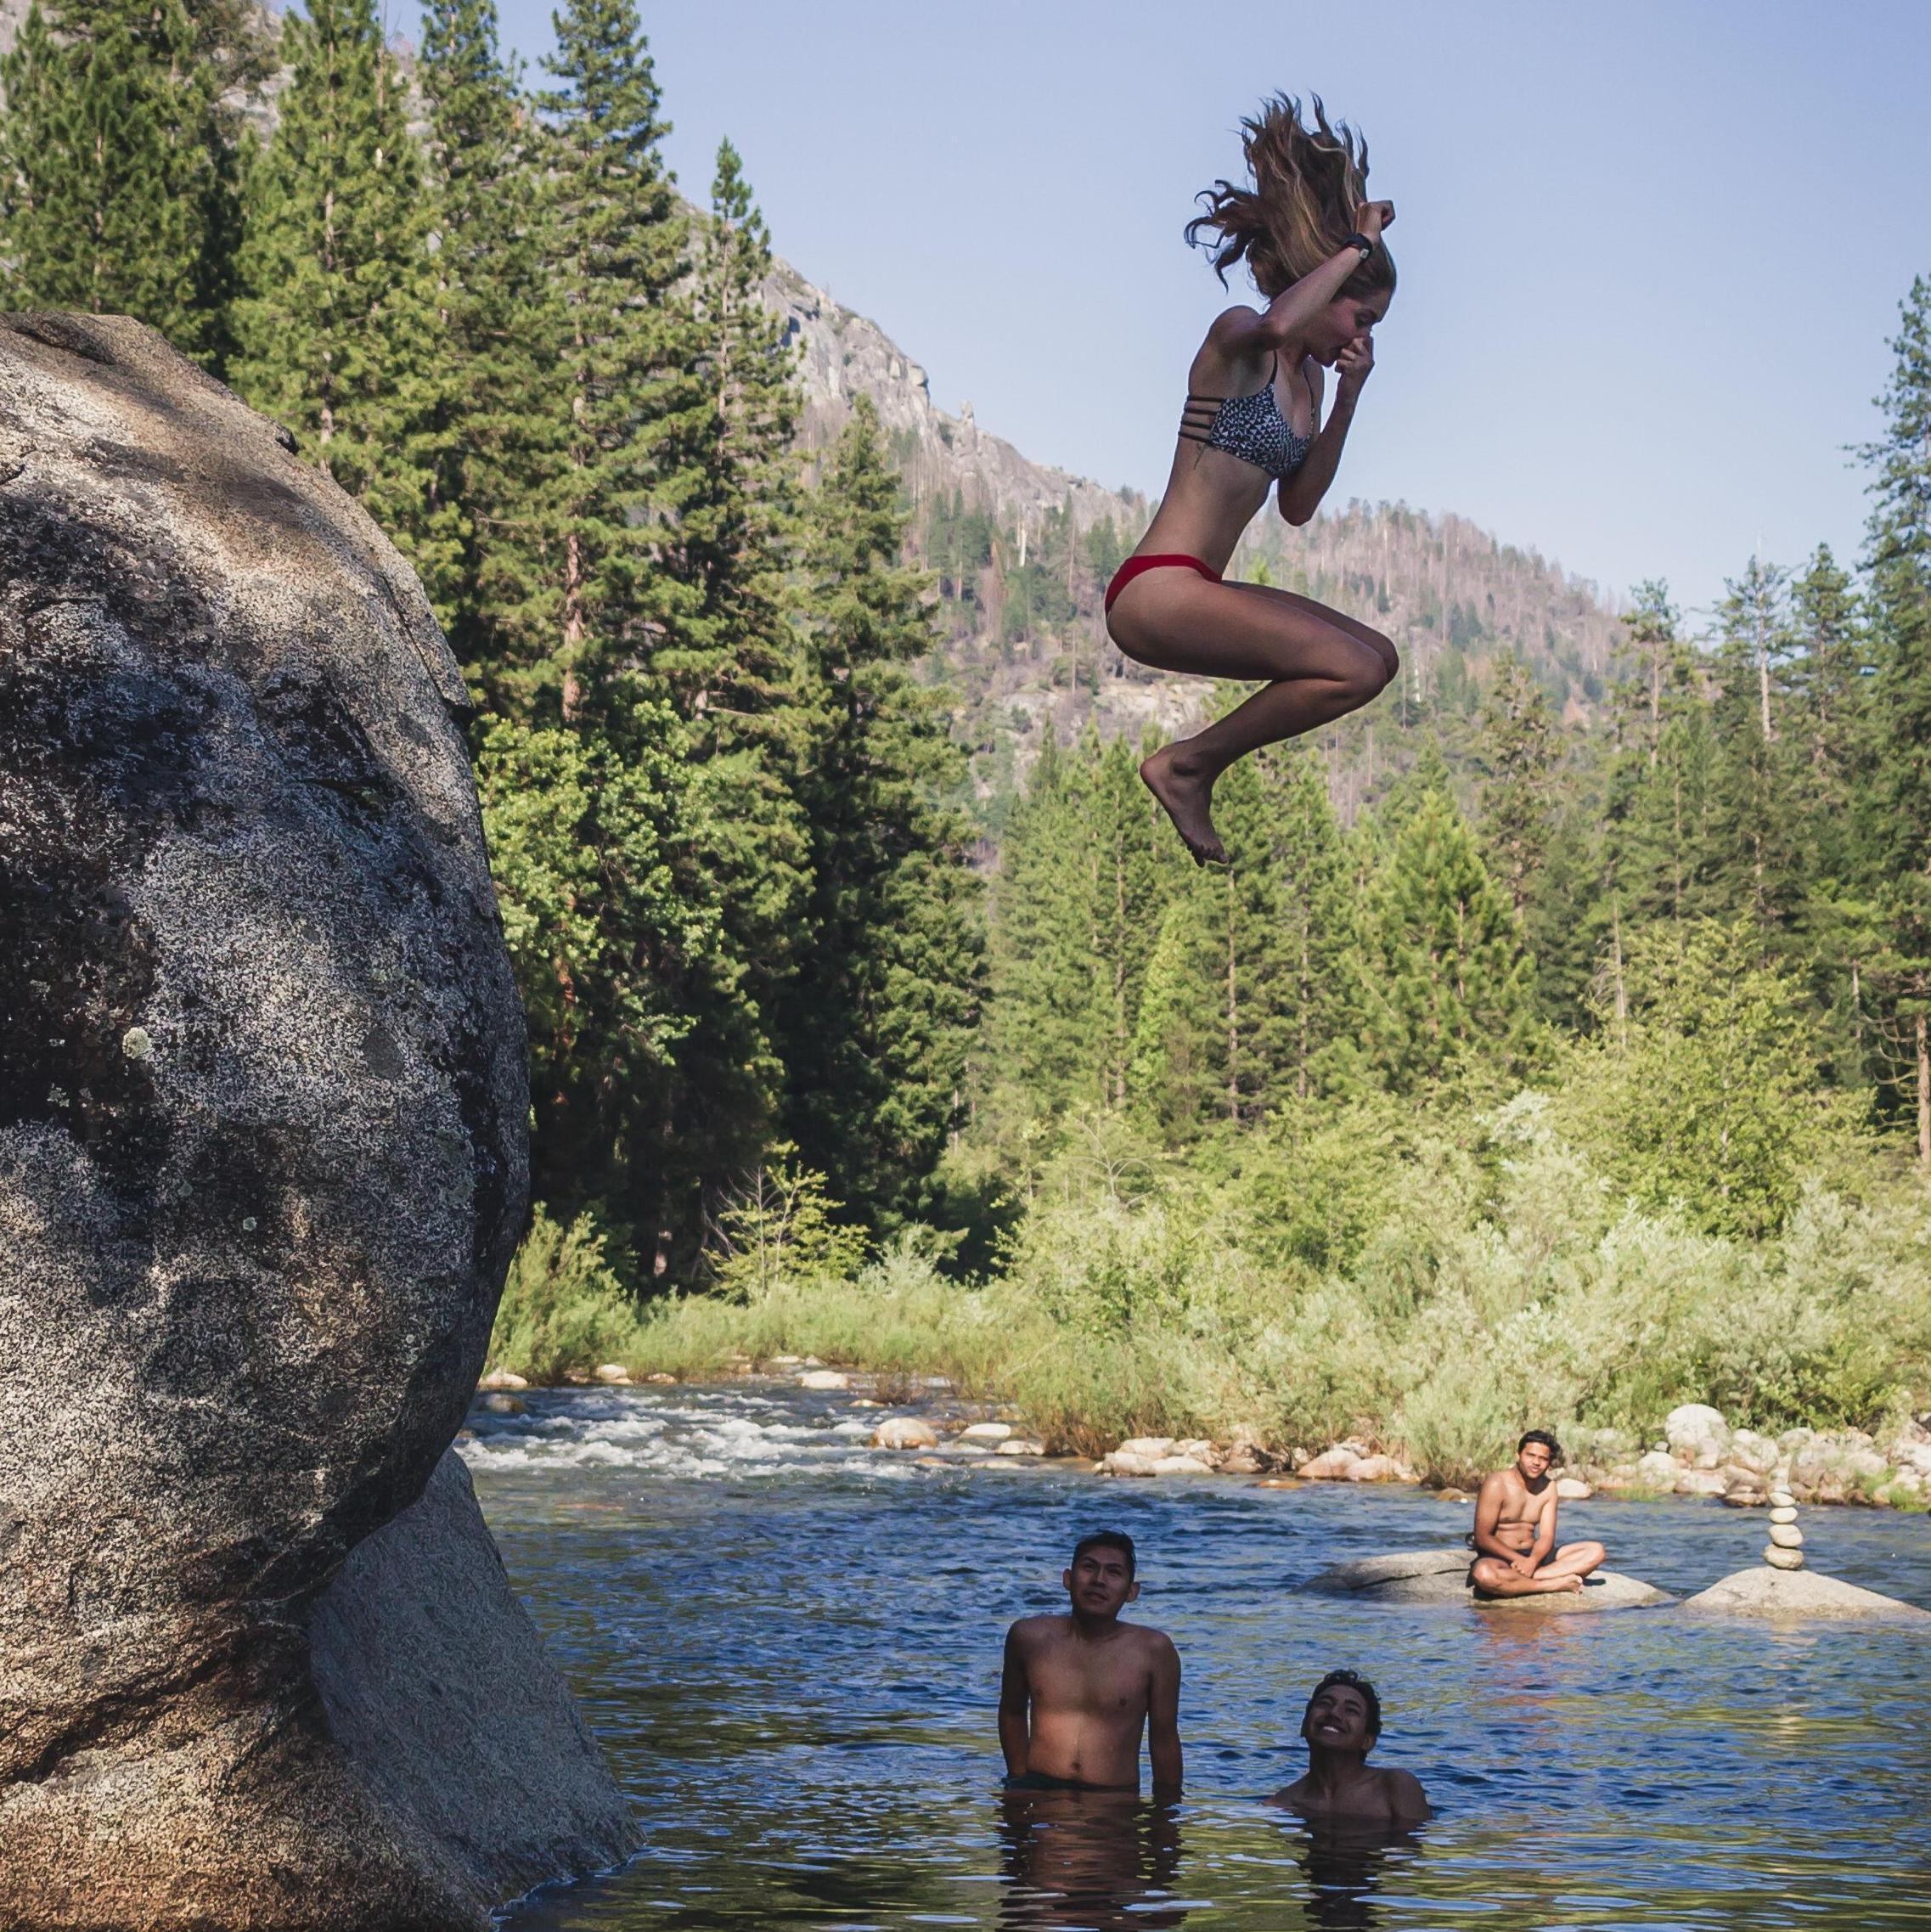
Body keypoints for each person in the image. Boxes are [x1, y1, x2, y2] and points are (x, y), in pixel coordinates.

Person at [1105, 95, 1400, 866]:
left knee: (1376, 659)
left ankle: (1192, 763)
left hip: (1196, 586)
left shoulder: (1303, 387)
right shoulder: (1239, 339)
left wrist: (1349, 398)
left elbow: (1298, 507)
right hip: (1157, 587)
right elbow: (1277, 323)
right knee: (1355, 665)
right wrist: (1355, 245)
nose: (1361, 336)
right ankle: (1189, 764)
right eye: (1359, 318)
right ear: (1327, 288)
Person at [999, 1530, 1183, 1798]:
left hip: (1113, 1798)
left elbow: (1164, 1741)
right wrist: (1018, 1781)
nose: (1099, 1580)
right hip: (1040, 1790)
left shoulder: (1154, 1652)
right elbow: (1012, 1712)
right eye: (1089, 1567)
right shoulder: (1029, 1638)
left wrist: (1166, 1817)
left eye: (1114, 1572)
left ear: (1132, 1592)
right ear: (1068, 1579)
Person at [1270, 1670, 1429, 1823]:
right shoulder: (1281, 1804)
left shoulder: (1395, 1787)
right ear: (1304, 1726)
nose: (1334, 1713)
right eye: (1325, 1703)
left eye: (1351, 1710)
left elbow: (1412, 1848)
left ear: (1368, 1740)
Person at [1467, 1429, 1607, 1597]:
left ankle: (1524, 1580)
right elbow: (1483, 1537)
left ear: (1549, 1463)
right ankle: (1551, 1585)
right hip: (1499, 1556)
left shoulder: (1548, 1488)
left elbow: (1547, 1536)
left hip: (1534, 1555)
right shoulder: (1497, 1483)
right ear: (1519, 1454)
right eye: (1531, 1455)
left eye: (1543, 1458)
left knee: (1596, 1551)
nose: (1536, 1462)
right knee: (1484, 1574)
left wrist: (1532, 1561)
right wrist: (1518, 1560)